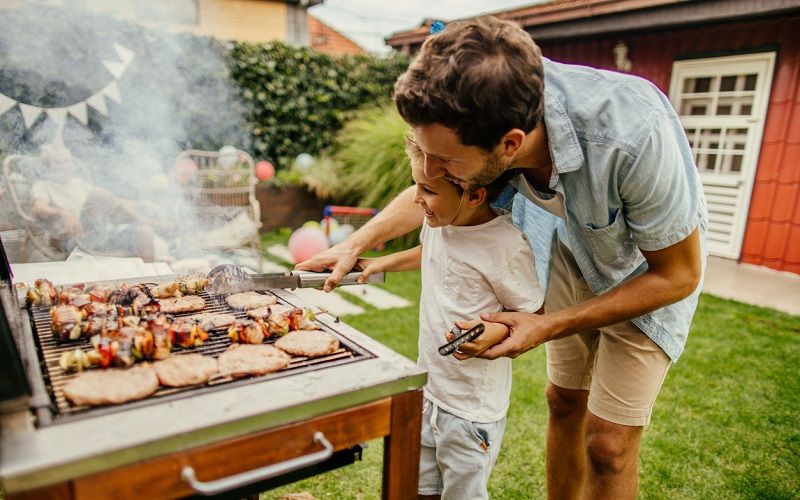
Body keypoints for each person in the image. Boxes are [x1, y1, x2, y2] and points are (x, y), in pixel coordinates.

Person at [297, 16, 707, 499]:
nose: (429, 173)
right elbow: (433, 188)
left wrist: (546, 324)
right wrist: (356, 243)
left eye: (445, 162)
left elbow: (678, 274)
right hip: (570, 248)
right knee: (563, 402)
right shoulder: (483, 108)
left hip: (646, 270)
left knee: (608, 446)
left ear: (510, 145)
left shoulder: (632, 133)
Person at [356, 137, 544, 499]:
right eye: (417, 185)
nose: (416, 199)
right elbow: (431, 252)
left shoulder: (505, 245)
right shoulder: (441, 220)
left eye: (428, 189)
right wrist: (384, 262)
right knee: (421, 487)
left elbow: (533, 313)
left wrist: (493, 331)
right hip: (430, 389)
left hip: (470, 410)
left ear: (474, 195)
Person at [30, 142, 170, 261]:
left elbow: (112, 202)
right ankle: (151, 223)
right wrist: (63, 213)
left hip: (98, 234)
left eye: (67, 160)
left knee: (143, 232)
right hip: (72, 238)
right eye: (60, 161)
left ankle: (151, 285)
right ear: (48, 165)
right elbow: (38, 209)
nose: (67, 164)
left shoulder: (78, 183)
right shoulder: (43, 185)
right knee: (98, 194)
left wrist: (140, 203)